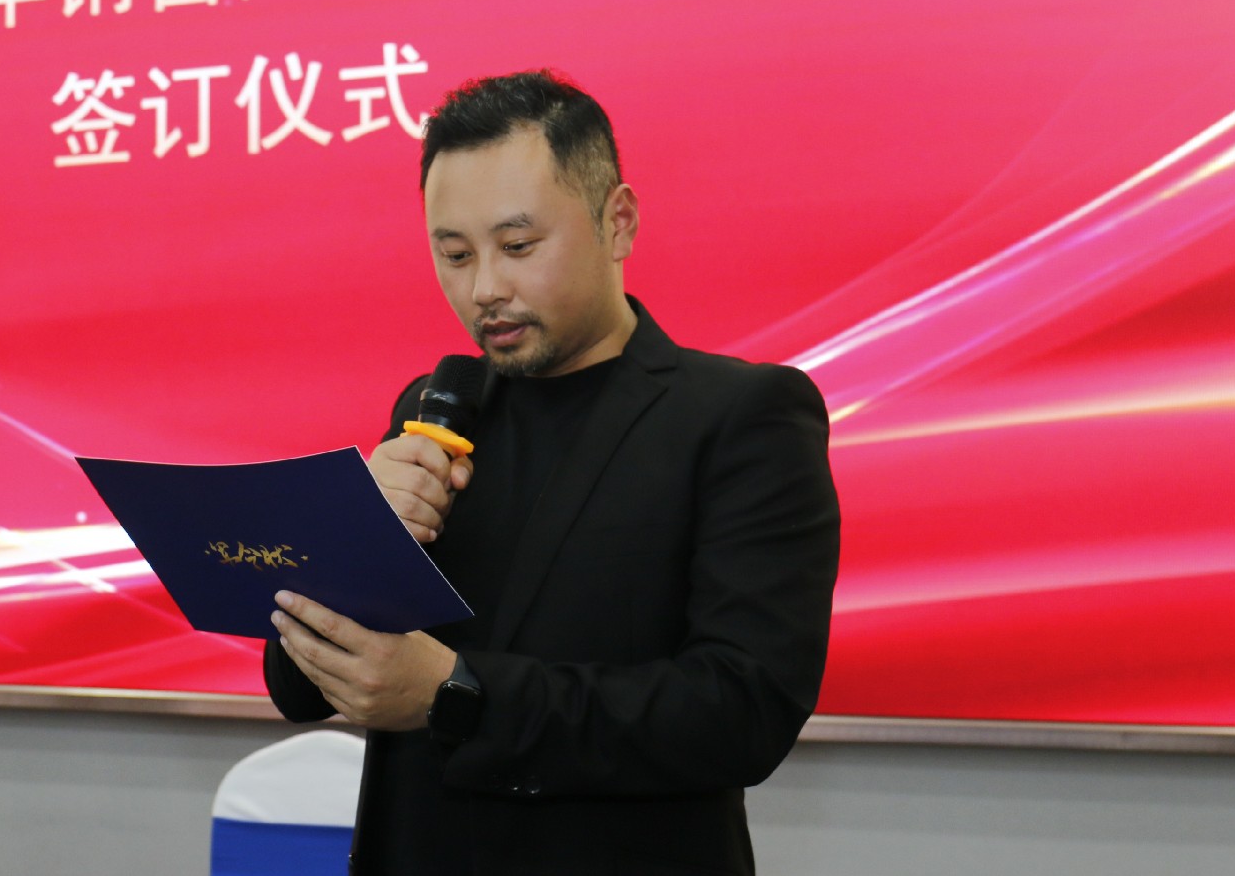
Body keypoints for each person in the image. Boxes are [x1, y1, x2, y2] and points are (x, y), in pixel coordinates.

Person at [264, 70, 840, 876]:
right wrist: (350, 540)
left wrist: (455, 693)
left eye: (518, 246)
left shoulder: (741, 417)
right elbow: (298, 686)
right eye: (454, 254)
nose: (484, 288)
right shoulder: (437, 408)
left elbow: (741, 711)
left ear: (618, 222)